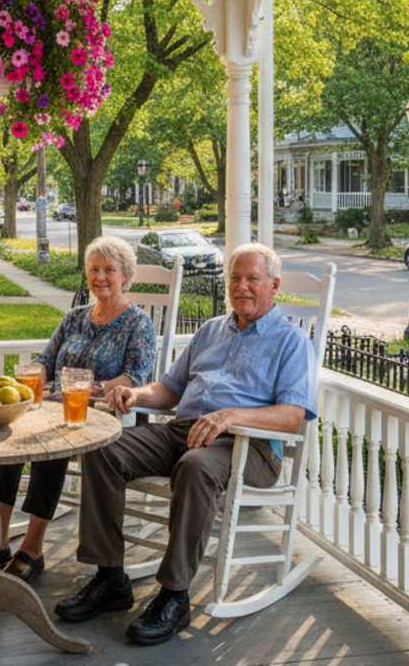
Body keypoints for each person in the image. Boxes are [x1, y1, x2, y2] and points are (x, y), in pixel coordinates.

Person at [54, 243, 316, 646]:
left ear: (274, 285)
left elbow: (293, 416)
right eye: (234, 278)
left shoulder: (291, 341)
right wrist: (137, 396)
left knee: (196, 467)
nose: (241, 286)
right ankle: (110, 579)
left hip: (249, 447)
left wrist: (231, 415)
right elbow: (170, 389)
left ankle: (174, 596)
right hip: (185, 431)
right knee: (103, 447)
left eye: (252, 279)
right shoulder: (210, 330)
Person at [0, 235, 156, 582]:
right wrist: (29, 375)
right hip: (52, 408)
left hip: (99, 414)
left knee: (53, 445)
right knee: (8, 439)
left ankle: (32, 549)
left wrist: (88, 389)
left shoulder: (137, 323)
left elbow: (133, 379)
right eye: (94, 269)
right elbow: (46, 360)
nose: (100, 277)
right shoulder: (75, 317)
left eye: (109, 270)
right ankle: (0, 540)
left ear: (126, 275)